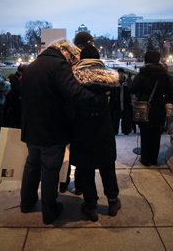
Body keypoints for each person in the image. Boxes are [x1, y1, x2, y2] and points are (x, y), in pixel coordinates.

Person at [20, 39, 104, 225]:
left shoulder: (34, 64)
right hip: (50, 128)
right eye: (73, 59)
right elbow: (74, 92)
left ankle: (26, 203)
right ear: (66, 52)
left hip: (31, 127)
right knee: (50, 170)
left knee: (32, 165)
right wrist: (98, 99)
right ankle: (50, 211)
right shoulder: (58, 65)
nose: (72, 63)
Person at [70, 44, 121, 222]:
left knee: (85, 168)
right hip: (103, 127)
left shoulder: (73, 77)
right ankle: (113, 201)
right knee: (107, 166)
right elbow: (115, 107)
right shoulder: (110, 77)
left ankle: (91, 206)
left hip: (82, 128)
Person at [58, 31, 95, 194]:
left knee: (66, 149)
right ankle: (80, 185)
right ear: (88, 42)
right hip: (82, 112)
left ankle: (63, 182)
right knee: (82, 151)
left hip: (67, 111)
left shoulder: (67, 60)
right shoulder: (87, 62)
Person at [130, 50, 173, 166]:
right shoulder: (164, 75)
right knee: (156, 135)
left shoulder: (142, 74)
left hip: (145, 108)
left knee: (145, 135)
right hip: (159, 108)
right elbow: (171, 90)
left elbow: (132, 88)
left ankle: (146, 159)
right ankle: (154, 159)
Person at [3, 63, 28, 129]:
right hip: (16, 104)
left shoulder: (12, 76)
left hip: (13, 104)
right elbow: (19, 91)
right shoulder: (16, 78)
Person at [110, 68, 133, 135]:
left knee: (126, 118)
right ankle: (115, 131)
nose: (120, 75)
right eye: (119, 73)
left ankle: (126, 130)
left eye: (121, 73)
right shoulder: (115, 83)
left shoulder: (127, 83)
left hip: (126, 104)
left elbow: (131, 92)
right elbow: (112, 94)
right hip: (116, 104)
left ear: (124, 74)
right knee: (115, 119)